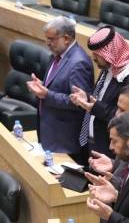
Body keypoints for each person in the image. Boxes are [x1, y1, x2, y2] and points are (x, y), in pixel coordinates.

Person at [70, 26, 129, 160]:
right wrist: (87, 98)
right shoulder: (109, 67)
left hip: (112, 152)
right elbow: (102, 99)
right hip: (95, 142)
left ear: (110, 51)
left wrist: (94, 107)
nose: (93, 57)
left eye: (97, 54)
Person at [26, 16, 93, 157]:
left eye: (51, 39)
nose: (47, 43)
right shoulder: (58, 54)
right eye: (47, 38)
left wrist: (46, 94)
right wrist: (42, 86)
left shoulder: (79, 63)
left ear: (66, 38)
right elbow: (58, 86)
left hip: (64, 140)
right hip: (50, 132)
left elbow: (80, 103)